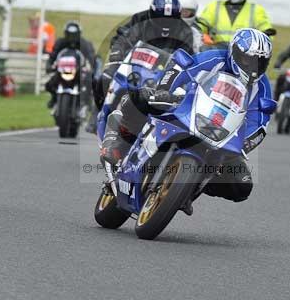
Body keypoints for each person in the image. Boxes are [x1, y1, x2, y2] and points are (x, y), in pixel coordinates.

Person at [100, 28, 274, 207]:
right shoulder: (215, 58)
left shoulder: (262, 86)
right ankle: (116, 143)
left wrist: (244, 144)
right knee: (137, 98)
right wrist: (163, 91)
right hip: (186, 107)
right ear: (235, 52)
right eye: (247, 59)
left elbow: (260, 123)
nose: (253, 67)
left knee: (241, 186)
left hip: (222, 134)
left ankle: (188, 188)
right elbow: (180, 67)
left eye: (260, 63)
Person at [94, 0, 196, 109]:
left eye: (170, 19)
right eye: (160, 18)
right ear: (152, 13)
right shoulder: (140, 19)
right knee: (105, 78)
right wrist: (117, 54)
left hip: (163, 73)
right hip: (131, 64)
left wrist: (176, 69)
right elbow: (123, 38)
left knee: (181, 95)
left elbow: (186, 56)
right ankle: (98, 112)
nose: (165, 23)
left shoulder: (185, 31)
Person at [198, 0, 275, 46]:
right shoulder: (214, 6)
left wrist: (260, 39)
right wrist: (203, 36)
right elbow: (199, 27)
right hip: (215, 51)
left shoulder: (256, 10)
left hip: (244, 52)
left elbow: (267, 33)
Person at [45, 21, 96, 108]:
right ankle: (54, 98)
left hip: (78, 71)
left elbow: (90, 57)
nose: (72, 37)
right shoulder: (60, 42)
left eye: (74, 35)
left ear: (79, 34)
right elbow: (53, 55)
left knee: (89, 83)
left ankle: (87, 101)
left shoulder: (84, 44)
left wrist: (91, 68)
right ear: (66, 33)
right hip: (62, 70)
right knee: (49, 85)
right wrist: (49, 65)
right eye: (70, 34)